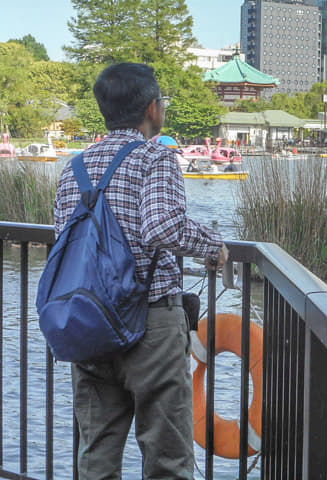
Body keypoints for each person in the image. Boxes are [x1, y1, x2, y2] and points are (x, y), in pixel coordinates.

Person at [54, 63, 228, 479]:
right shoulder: (156, 156)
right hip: (150, 321)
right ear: (153, 109)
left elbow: (63, 240)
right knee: (166, 454)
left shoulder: (74, 167)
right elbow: (162, 225)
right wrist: (214, 247)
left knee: (96, 451)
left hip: (89, 321)